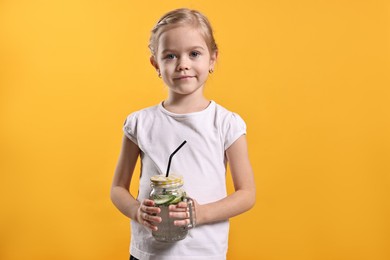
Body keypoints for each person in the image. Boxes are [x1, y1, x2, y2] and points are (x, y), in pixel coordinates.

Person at [111, 8, 256, 260]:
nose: (183, 64)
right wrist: (136, 211)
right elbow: (117, 188)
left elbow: (247, 194)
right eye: (170, 56)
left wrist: (201, 213)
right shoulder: (139, 123)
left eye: (194, 54)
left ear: (212, 59)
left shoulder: (226, 123)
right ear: (155, 63)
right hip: (149, 253)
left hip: (204, 253)